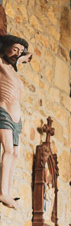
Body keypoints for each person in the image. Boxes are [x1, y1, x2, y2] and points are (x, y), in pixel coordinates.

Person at [0, 34, 31, 210]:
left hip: (16, 117)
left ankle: (8, 191)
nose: (17, 54)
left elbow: (17, 61)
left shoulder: (13, 69)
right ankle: (3, 191)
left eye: (20, 51)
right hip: (3, 110)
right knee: (8, 150)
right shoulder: (1, 65)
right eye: (14, 49)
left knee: (16, 154)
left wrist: (22, 58)